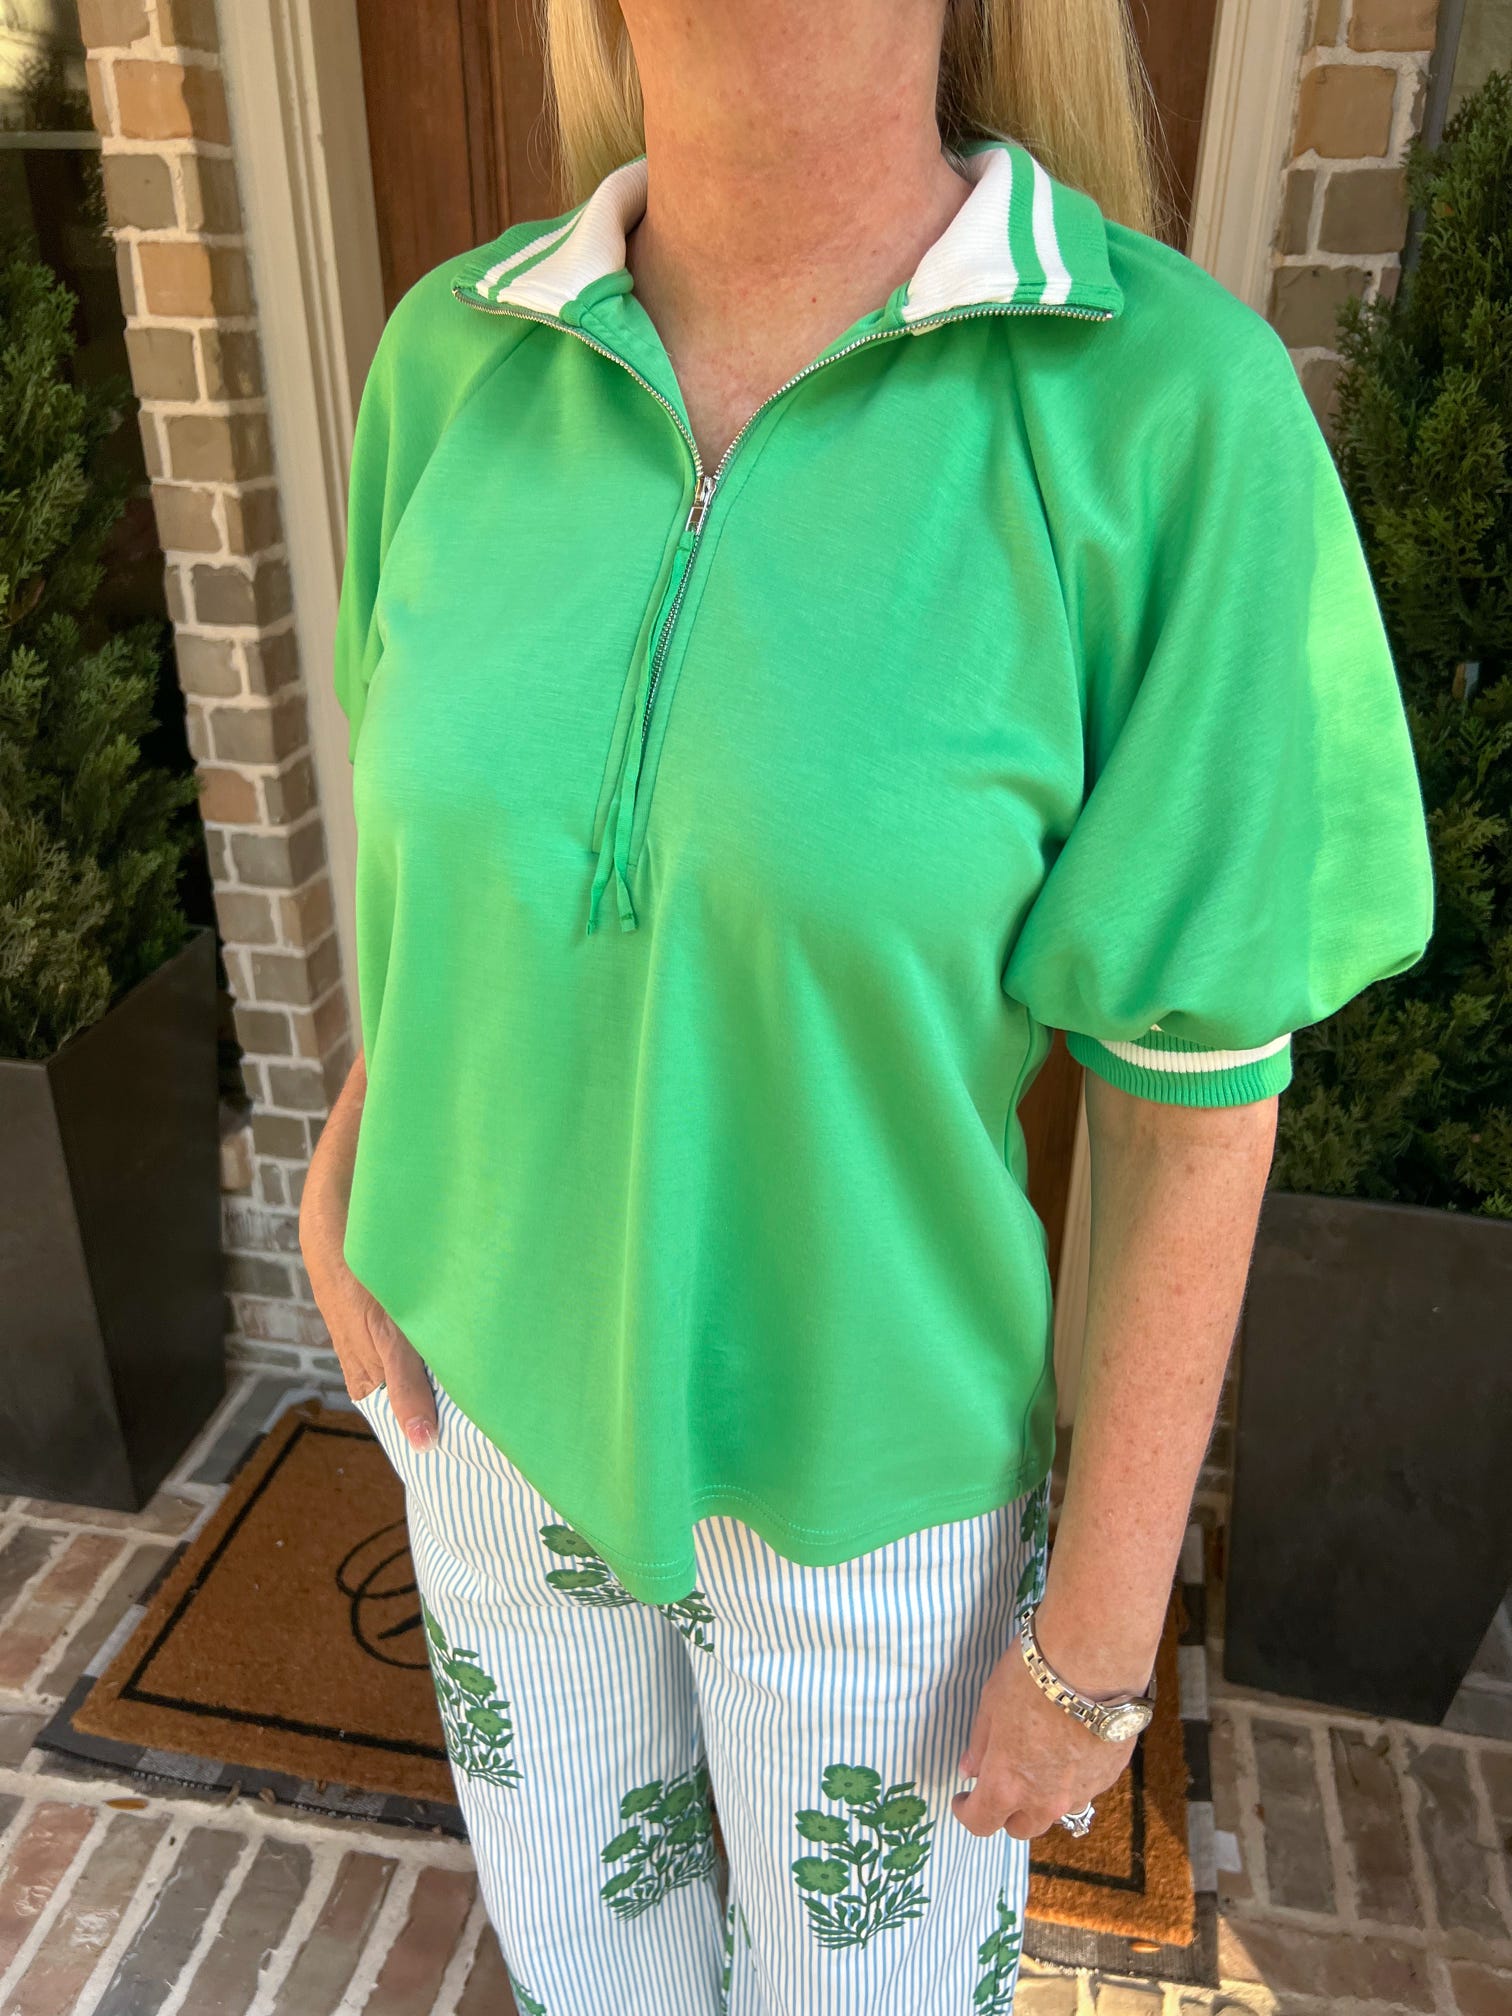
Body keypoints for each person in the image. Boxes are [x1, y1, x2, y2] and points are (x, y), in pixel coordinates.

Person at [299, 1, 1434, 2009]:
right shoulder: (451, 353)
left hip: (868, 1499)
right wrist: (356, 1149)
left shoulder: (1158, 408)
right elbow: (448, 846)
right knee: (584, 1970)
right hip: (471, 1407)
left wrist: (1094, 1644)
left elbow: (1193, 1087)